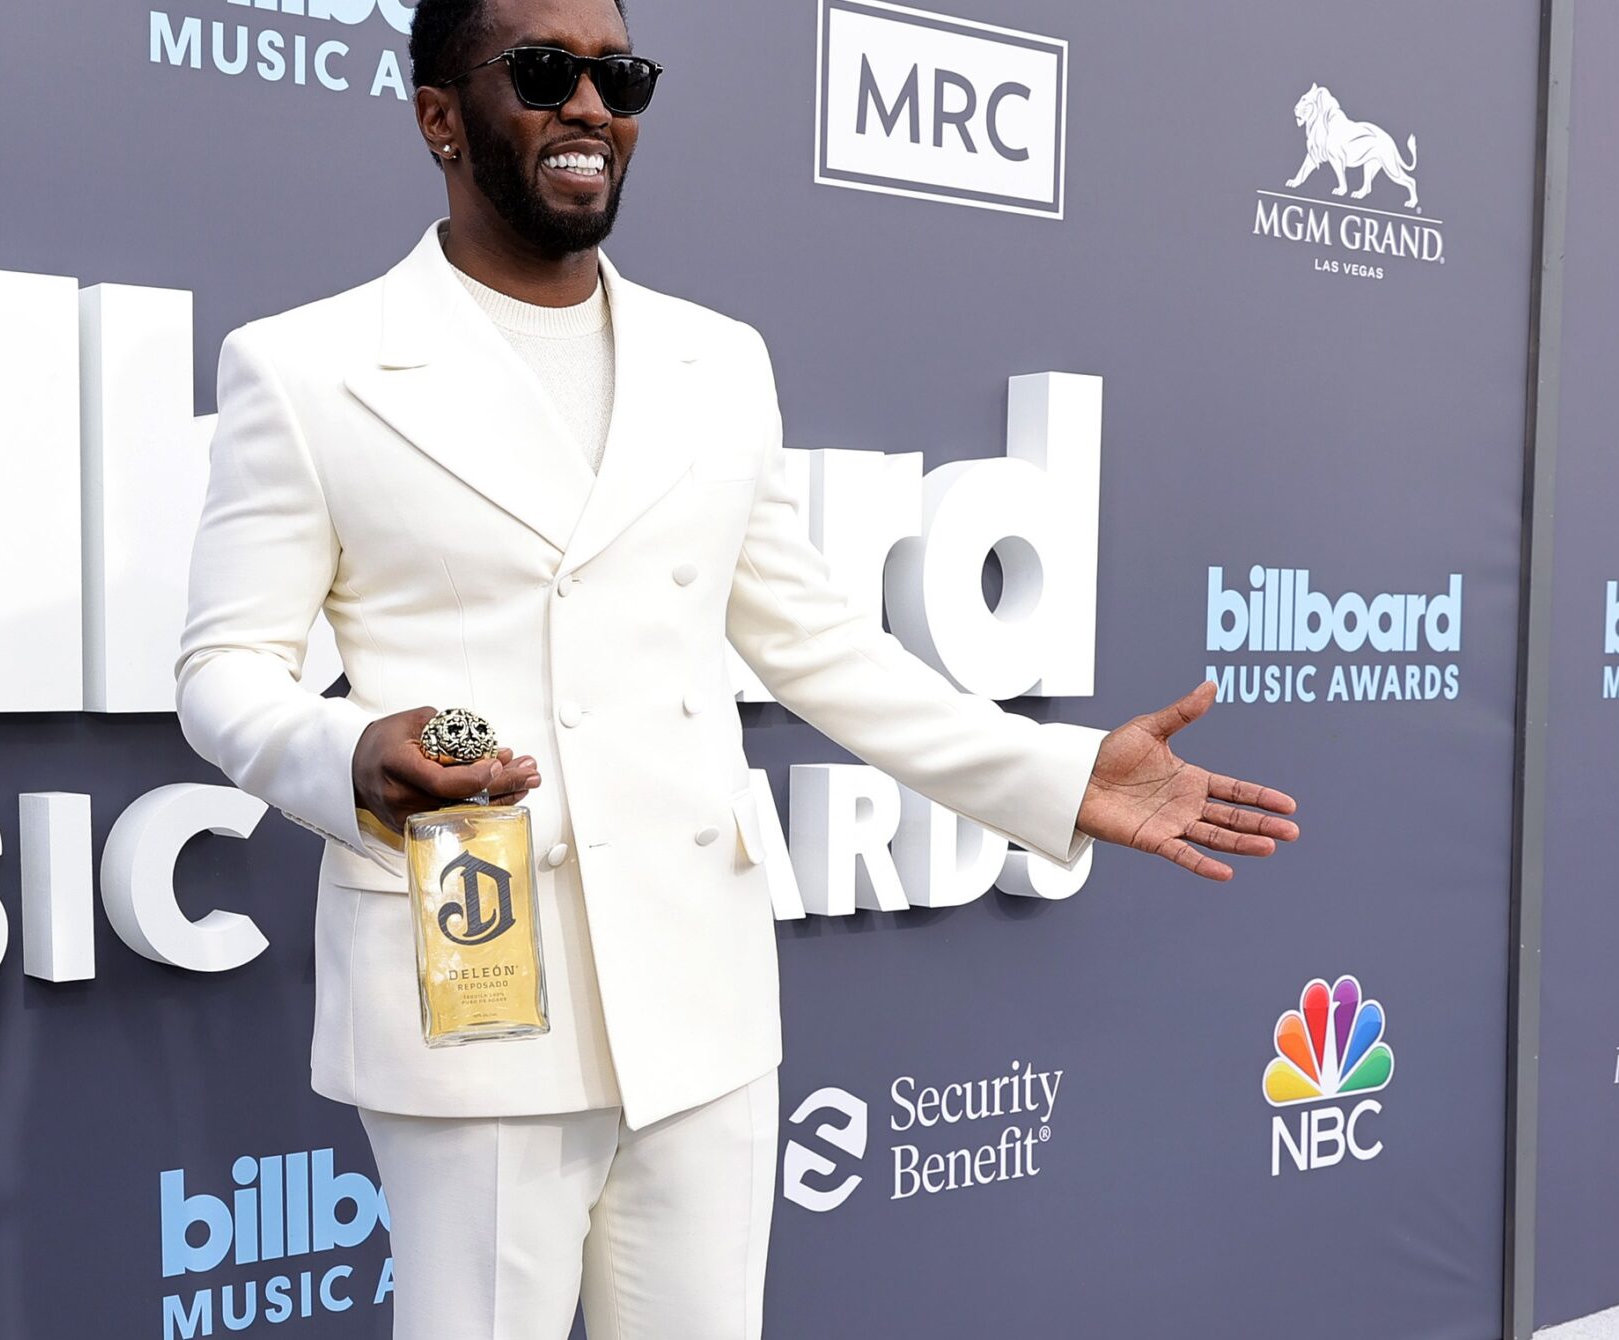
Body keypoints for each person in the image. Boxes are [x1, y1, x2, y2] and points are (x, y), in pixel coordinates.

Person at [172, 1, 1300, 1335]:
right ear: (437, 117)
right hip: (471, 994)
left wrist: (1054, 776)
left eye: (619, 76)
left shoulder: (718, 364)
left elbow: (818, 644)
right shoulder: (308, 369)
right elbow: (224, 673)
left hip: (699, 1000)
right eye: (545, 73)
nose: (590, 104)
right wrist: (349, 755)